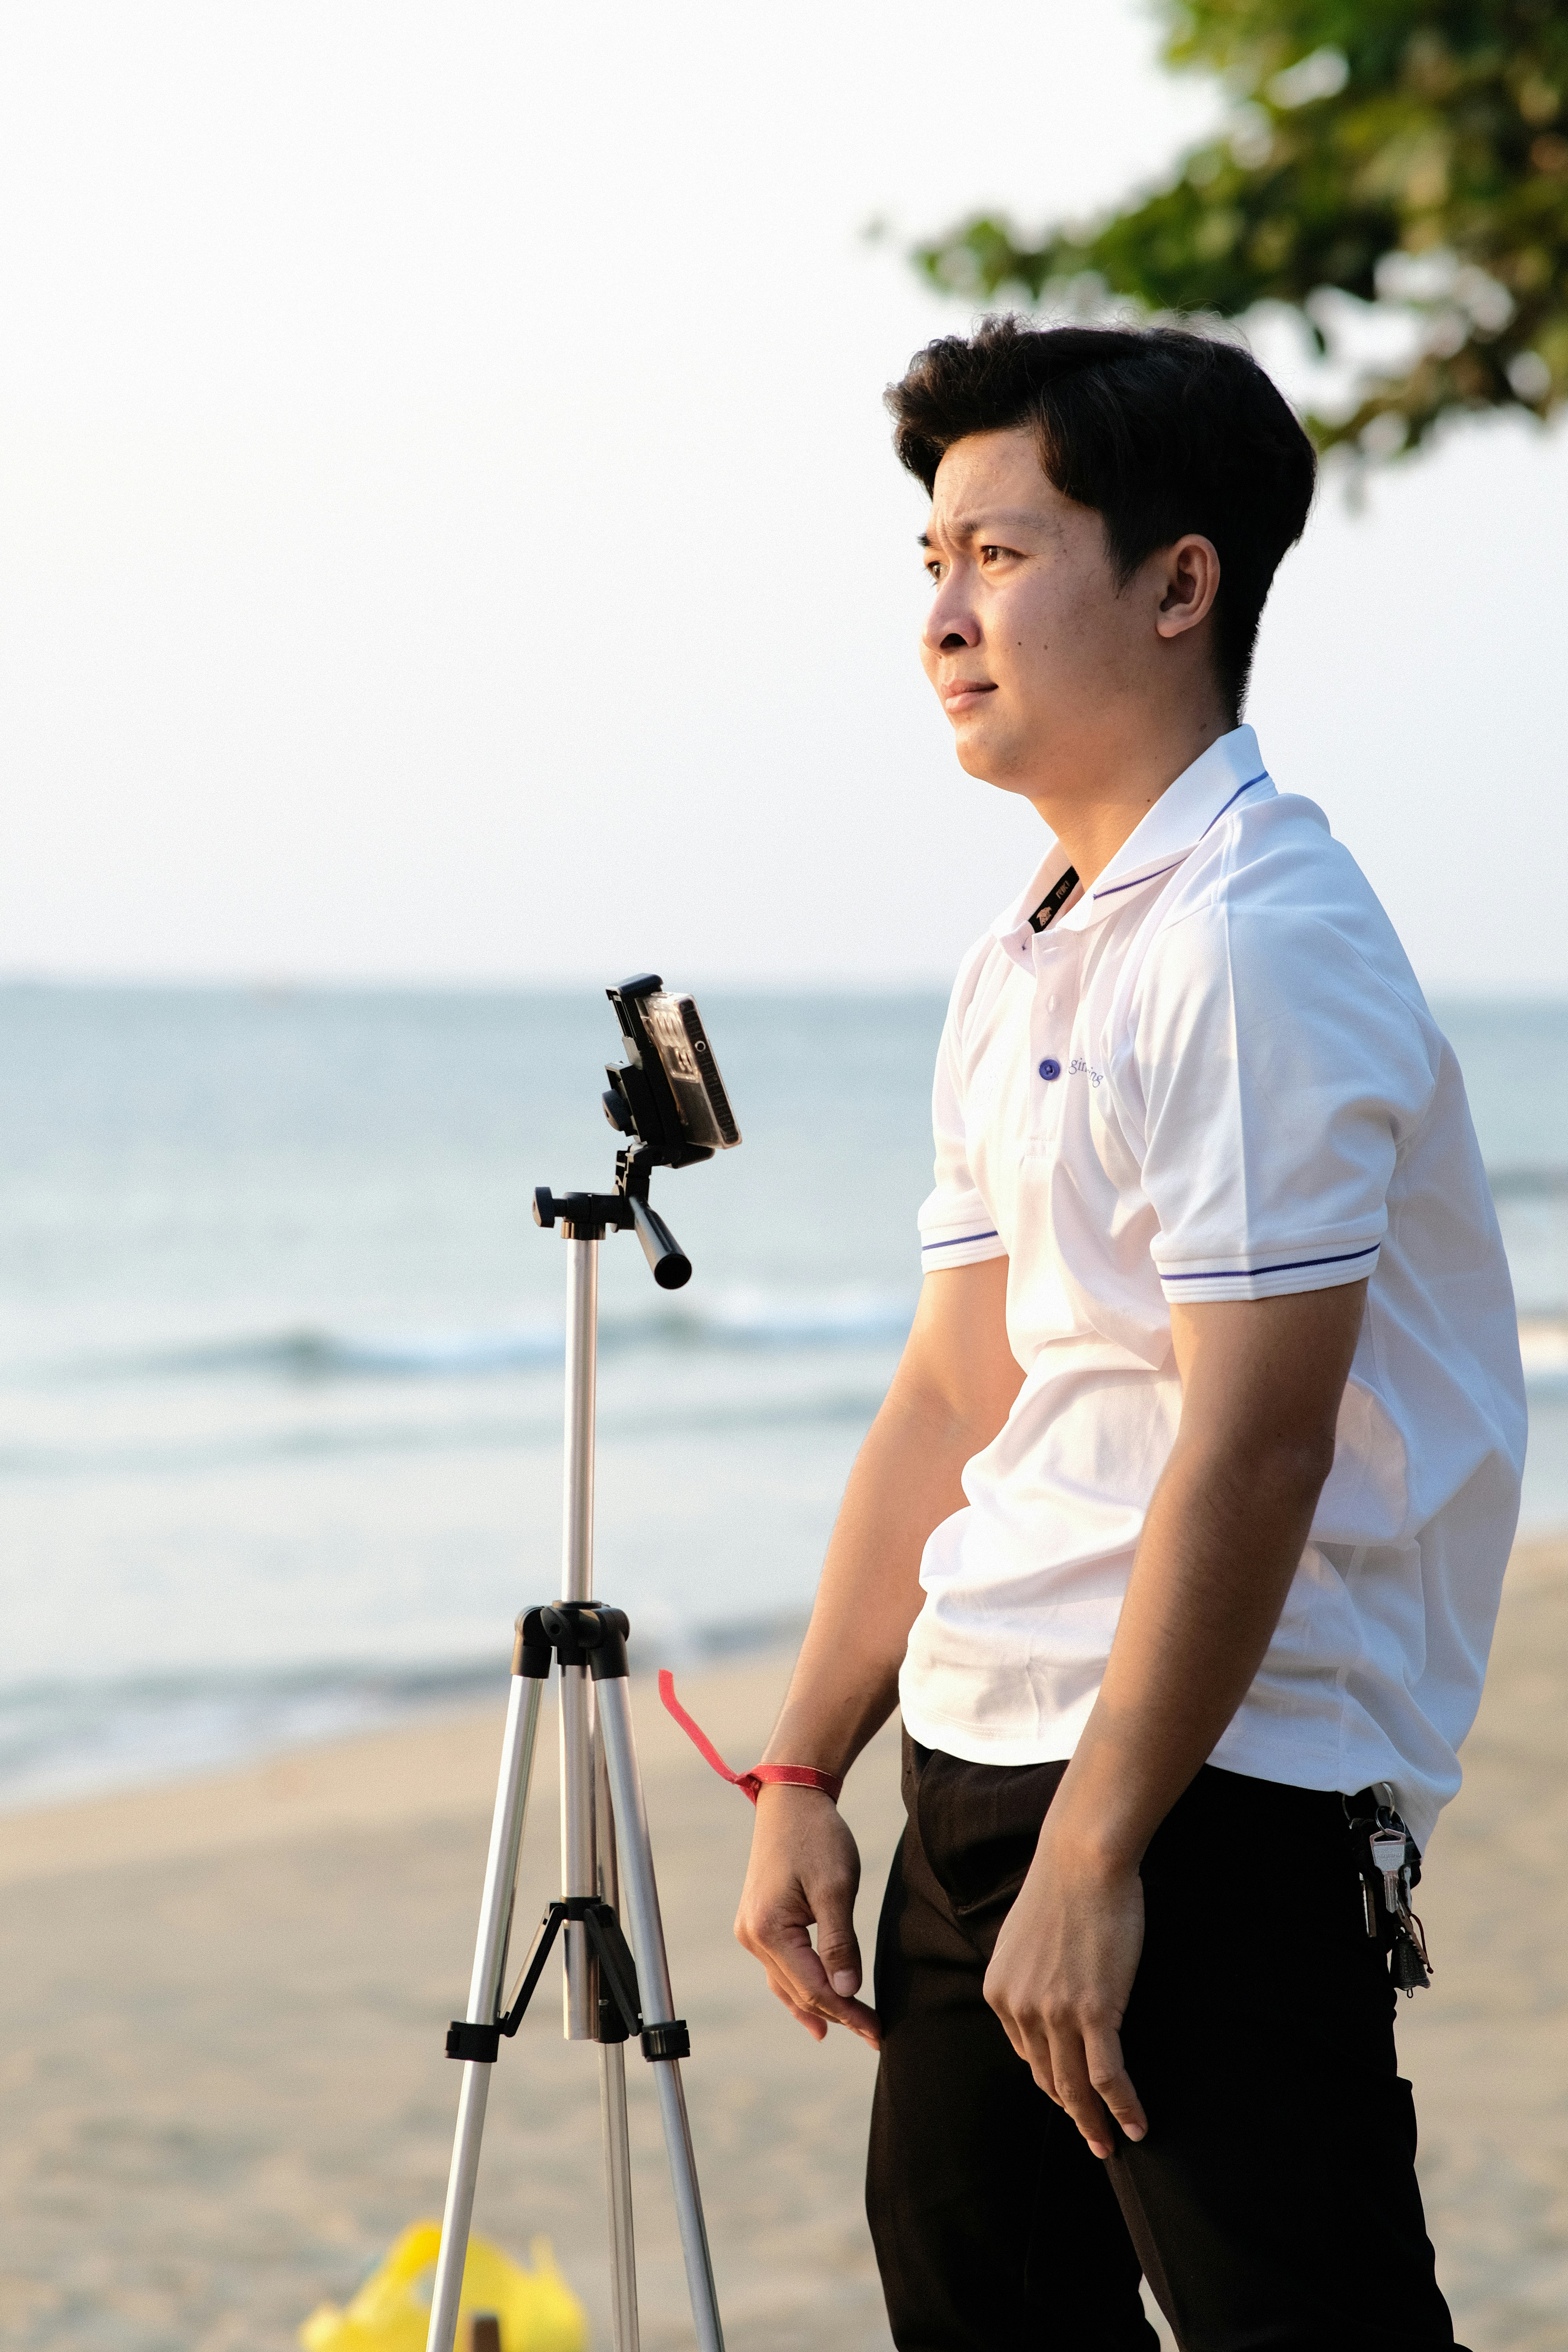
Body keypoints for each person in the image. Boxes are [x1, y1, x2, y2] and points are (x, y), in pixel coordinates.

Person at [730, 319, 1526, 2349]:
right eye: (931, 562)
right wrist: (806, 1759)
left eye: (999, 558)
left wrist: (1105, 1848)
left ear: (1182, 585)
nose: (942, 619)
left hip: (1213, 1789)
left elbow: (1254, 1441)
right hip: (985, 1750)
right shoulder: (1036, 945)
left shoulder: (1260, 939)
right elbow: (953, 1394)